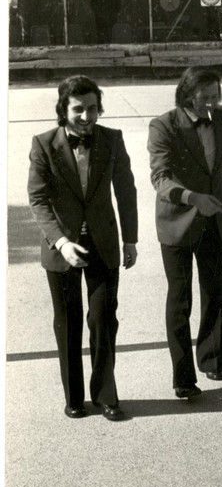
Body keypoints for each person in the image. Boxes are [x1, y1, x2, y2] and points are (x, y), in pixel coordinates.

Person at [27, 75, 138, 421]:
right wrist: (61, 242)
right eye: (78, 109)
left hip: (103, 243)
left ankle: (106, 395)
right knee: (69, 322)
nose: (87, 117)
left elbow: (126, 190)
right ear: (63, 110)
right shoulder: (44, 144)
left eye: (93, 108)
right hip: (61, 246)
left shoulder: (112, 140)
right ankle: (73, 397)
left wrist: (130, 239)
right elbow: (38, 198)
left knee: (104, 319)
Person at [148, 67, 222, 398]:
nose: (210, 105)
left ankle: (212, 359)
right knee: (180, 298)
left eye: (215, 97)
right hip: (176, 222)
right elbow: (160, 178)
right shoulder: (163, 125)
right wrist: (193, 198)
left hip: (212, 219)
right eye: (204, 99)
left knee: (214, 291)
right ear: (187, 94)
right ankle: (184, 377)